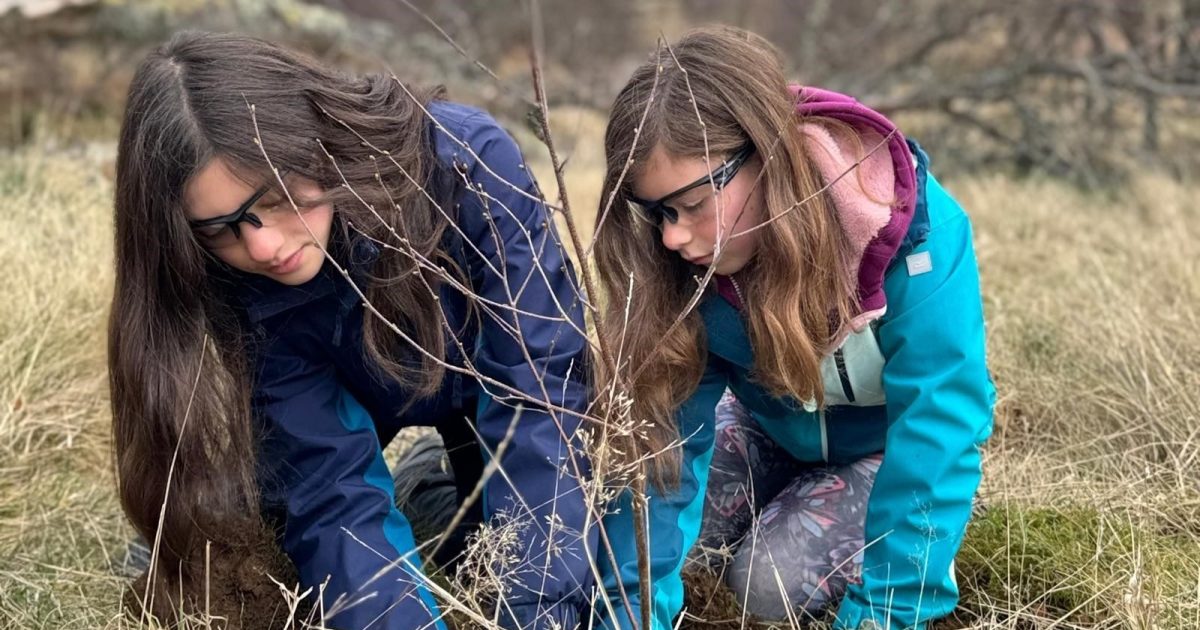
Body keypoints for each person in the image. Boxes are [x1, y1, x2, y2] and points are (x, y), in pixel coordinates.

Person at [109, 30, 596, 630]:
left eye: (279, 194)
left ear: (317, 139)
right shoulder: (236, 278)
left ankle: (428, 484)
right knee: (284, 523)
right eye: (221, 228)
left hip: (486, 384)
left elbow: (541, 390)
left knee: (510, 545)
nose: (262, 246)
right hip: (355, 396)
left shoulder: (464, 163)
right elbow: (328, 483)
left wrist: (538, 613)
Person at [592, 26, 995, 630]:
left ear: (764, 155)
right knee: (680, 547)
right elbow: (666, 452)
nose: (672, 237)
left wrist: (886, 612)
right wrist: (631, 614)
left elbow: (938, 425)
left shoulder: (915, 236)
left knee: (765, 583)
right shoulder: (688, 266)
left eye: (691, 205)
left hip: (882, 454)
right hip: (767, 429)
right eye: (658, 214)